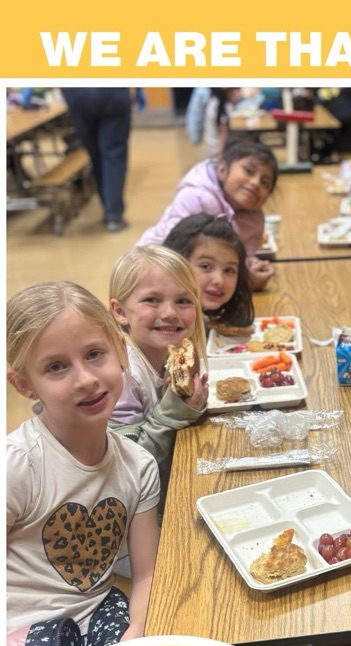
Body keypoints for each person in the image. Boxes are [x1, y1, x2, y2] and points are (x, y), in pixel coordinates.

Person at [6, 281, 160, 646]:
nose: (87, 380)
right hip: (22, 630)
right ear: (24, 385)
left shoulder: (139, 467)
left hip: (99, 614)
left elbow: (145, 573)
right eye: (56, 367)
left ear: (121, 351)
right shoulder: (19, 465)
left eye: (95, 354)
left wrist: (138, 630)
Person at [109, 246, 208, 504]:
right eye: (152, 300)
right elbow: (131, 470)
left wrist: (192, 401)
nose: (170, 313)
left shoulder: (168, 355)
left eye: (183, 300)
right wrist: (175, 411)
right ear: (119, 312)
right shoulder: (124, 376)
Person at [137, 139, 278, 291]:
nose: (256, 183)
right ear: (222, 170)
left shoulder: (254, 220)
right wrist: (244, 283)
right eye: (249, 171)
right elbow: (173, 255)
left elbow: (242, 261)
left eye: (265, 182)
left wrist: (252, 271)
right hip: (150, 271)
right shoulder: (196, 198)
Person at [163, 213, 254, 332]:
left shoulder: (203, 322)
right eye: (206, 266)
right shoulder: (163, 329)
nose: (219, 280)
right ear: (176, 263)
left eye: (229, 270)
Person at [61, 87, 132, 232]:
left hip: (78, 96)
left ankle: (108, 207)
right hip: (112, 94)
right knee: (113, 155)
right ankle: (113, 215)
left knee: (96, 156)